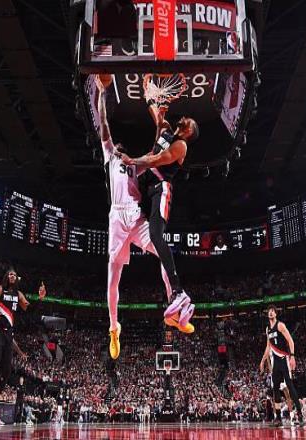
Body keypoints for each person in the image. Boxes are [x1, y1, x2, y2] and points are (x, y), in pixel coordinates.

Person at [95, 75, 194, 361]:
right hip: (117, 219)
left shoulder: (133, 165)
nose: (120, 145)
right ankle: (114, 328)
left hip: (136, 218)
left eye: (123, 146)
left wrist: (158, 117)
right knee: (113, 277)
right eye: (117, 145)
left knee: (163, 251)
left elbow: (153, 156)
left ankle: (175, 305)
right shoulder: (110, 156)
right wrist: (102, 94)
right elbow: (104, 125)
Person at [119, 100, 199, 328]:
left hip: (161, 189)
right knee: (149, 240)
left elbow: (156, 159)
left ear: (189, 131)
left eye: (189, 122)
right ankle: (175, 301)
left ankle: (178, 291)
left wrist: (132, 160)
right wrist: (150, 94)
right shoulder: (166, 132)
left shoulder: (181, 145)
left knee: (156, 235)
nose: (184, 119)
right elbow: (154, 114)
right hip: (148, 189)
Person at [0, 269, 44, 431]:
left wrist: (40, 299)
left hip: (8, 334)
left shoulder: (18, 295)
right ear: (6, 277)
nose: (12, 276)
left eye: (14, 274)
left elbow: (29, 310)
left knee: (6, 371)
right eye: (10, 274)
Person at [259, 306, 305, 426]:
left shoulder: (280, 325)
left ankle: (300, 415)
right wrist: (262, 361)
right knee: (275, 389)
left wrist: (292, 356)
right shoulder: (267, 329)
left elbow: (290, 341)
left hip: (284, 359)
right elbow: (268, 347)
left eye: (273, 311)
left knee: (290, 385)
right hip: (275, 362)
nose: (270, 313)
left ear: (276, 314)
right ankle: (278, 418)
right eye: (269, 311)